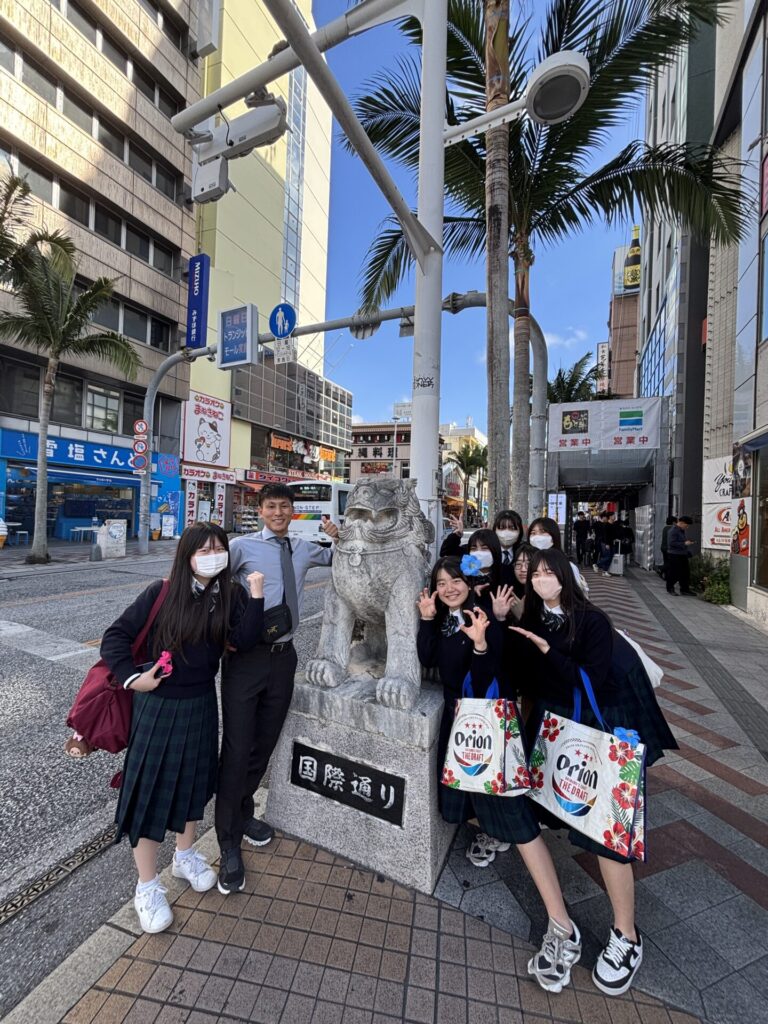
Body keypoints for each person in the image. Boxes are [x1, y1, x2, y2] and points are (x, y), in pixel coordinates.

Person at [510, 549, 677, 996]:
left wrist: (548, 651)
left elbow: (591, 679)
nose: (541, 580)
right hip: (560, 721)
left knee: (607, 828)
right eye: (535, 574)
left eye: (550, 573)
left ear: (565, 577)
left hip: (603, 721)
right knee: (540, 805)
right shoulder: (533, 619)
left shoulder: (592, 621)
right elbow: (531, 680)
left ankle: (627, 935)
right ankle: (563, 923)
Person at [417, 556, 583, 994]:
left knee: (516, 818)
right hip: (462, 727)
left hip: (488, 728)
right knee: (464, 802)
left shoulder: (483, 617)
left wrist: (480, 645)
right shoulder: (445, 620)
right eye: (441, 583)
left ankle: (562, 925)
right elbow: (428, 658)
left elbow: (489, 675)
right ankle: (494, 834)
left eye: (455, 580)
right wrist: (427, 620)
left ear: (469, 583)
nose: (449, 588)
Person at [100, 523, 266, 934]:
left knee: (193, 782)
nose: (213, 555)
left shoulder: (229, 595)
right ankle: (146, 886)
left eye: (219, 548)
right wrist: (132, 678)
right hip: (159, 706)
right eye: (203, 549)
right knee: (151, 792)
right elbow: (115, 637)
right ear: (187, 555)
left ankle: (185, 855)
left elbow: (245, 640)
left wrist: (257, 594)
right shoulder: (161, 592)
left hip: (201, 703)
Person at [215, 483, 339, 894]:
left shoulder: (303, 548)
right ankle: (227, 841)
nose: (279, 512)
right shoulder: (241, 547)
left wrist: (340, 537)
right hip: (246, 659)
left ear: (292, 510)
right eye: (271, 506)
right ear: (261, 511)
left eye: (285, 506)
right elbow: (210, 582)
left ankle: (243, 812)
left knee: (263, 745)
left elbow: (338, 559)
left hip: (284, 658)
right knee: (237, 749)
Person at [528, 517, 589, 594]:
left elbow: (575, 595)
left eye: (542, 532)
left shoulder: (567, 566)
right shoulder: (526, 563)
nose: (537, 536)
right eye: (533, 533)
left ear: (554, 535)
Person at [666, 515, 695, 596]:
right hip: (674, 554)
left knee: (685, 572)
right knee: (674, 572)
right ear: (682, 523)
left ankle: (685, 589)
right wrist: (684, 543)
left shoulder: (681, 530)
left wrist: (686, 544)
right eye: (687, 525)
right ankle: (670, 588)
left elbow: (680, 541)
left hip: (682, 554)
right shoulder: (673, 530)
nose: (687, 527)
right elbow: (671, 543)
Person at [660, 515, 676, 580]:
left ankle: (666, 575)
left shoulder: (665, 528)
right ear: (673, 522)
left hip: (663, 547)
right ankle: (662, 570)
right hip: (669, 548)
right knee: (670, 563)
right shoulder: (672, 528)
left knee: (666, 561)